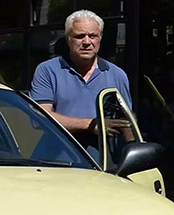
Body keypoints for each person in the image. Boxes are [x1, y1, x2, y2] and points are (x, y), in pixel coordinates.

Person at [29, 9, 133, 161]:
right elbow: (39, 118)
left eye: (92, 36)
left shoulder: (117, 75)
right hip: (56, 163)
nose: (87, 42)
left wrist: (134, 148)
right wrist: (90, 125)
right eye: (80, 36)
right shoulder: (47, 70)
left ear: (100, 38)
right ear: (68, 39)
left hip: (102, 165)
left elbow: (126, 120)